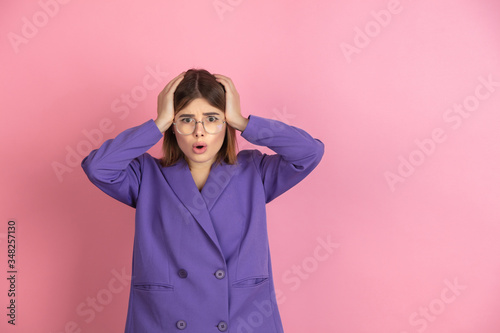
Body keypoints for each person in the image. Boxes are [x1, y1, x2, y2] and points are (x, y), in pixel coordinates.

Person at [81, 69, 324, 332]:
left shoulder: (254, 170)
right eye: (186, 119)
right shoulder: (146, 175)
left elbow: (309, 152)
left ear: (225, 123)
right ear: (173, 127)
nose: (200, 132)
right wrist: (157, 123)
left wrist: (242, 121)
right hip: (164, 320)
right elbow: (98, 167)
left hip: (241, 318)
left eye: (212, 119)